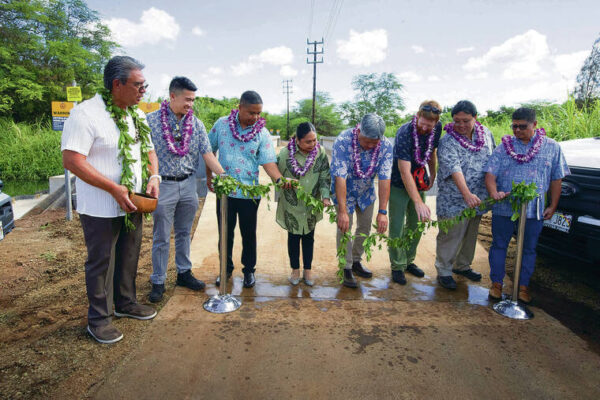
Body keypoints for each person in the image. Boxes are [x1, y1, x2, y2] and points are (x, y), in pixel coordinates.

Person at [61, 56, 159, 344]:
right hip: (101, 207)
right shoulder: (86, 114)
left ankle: (126, 303)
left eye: (145, 85)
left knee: (129, 254)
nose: (144, 91)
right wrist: (113, 188)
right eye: (139, 85)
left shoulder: (136, 115)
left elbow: (150, 152)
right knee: (101, 262)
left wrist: (154, 179)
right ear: (117, 84)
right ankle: (99, 320)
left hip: (134, 203)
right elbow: (72, 160)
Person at [146, 77, 225, 303]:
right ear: (172, 96)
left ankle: (184, 273)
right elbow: (143, 154)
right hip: (164, 185)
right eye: (187, 99)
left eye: (193, 99)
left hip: (188, 185)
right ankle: (158, 280)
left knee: (184, 232)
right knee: (161, 236)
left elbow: (207, 154)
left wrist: (224, 176)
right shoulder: (151, 121)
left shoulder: (196, 124)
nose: (190, 104)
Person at [485, 107, 569, 303]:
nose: (517, 131)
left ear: (535, 125)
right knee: (499, 245)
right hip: (504, 207)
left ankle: (522, 287)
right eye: (514, 126)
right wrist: (493, 192)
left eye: (522, 126)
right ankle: (496, 284)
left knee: (528, 248)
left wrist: (553, 205)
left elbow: (557, 179)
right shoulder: (503, 147)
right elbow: (490, 174)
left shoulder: (552, 147)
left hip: (534, 209)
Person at [206, 91, 288, 288]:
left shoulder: (262, 133)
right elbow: (208, 150)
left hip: (249, 193)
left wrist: (281, 181)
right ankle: (224, 270)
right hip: (225, 193)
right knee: (225, 233)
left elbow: (268, 162)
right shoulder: (222, 124)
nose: (255, 117)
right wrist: (209, 177)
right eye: (251, 113)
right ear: (239, 107)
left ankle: (249, 271)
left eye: (258, 113)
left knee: (248, 234)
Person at [435, 100, 495, 290]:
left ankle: (462, 266)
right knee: (451, 234)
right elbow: (454, 169)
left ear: (475, 118)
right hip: (453, 199)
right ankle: (444, 270)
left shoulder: (486, 134)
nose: (460, 125)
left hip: (478, 197)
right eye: (457, 121)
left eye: (465, 121)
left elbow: (493, 161)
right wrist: (466, 194)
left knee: (470, 234)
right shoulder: (447, 141)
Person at [330, 113, 393, 288]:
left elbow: (384, 178)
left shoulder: (386, 146)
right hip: (344, 192)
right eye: (367, 141)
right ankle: (346, 267)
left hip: (366, 192)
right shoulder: (343, 141)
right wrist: (342, 211)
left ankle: (356, 261)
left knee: (365, 228)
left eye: (375, 142)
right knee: (344, 228)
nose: (370, 145)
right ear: (359, 131)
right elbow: (340, 177)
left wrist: (382, 211)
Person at [388, 100, 442, 284]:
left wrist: (432, 174)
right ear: (417, 116)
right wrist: (418, 202)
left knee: (417, 224)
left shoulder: (437, 128)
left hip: (419, 180)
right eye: (422, 122)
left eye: (429, 124)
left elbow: (432, 151)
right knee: (396, 225)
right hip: (398, 183)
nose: (424, 127)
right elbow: (404, 171)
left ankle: (408, 260)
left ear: (436, 122)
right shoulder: (405, 132)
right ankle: (397, 265)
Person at [276, 122, 331, 286]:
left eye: (315, 141)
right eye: (308, 141)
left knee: (309, 237)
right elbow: (275, 174)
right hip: (291, 204)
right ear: (298, 140)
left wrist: (326, 196)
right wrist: (281, 182)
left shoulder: (319, 153)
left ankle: (308, 270)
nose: (313, 144)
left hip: (311, 204)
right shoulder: (285, 154)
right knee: (293, 237)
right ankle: (295, 270)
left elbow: (324, 176)